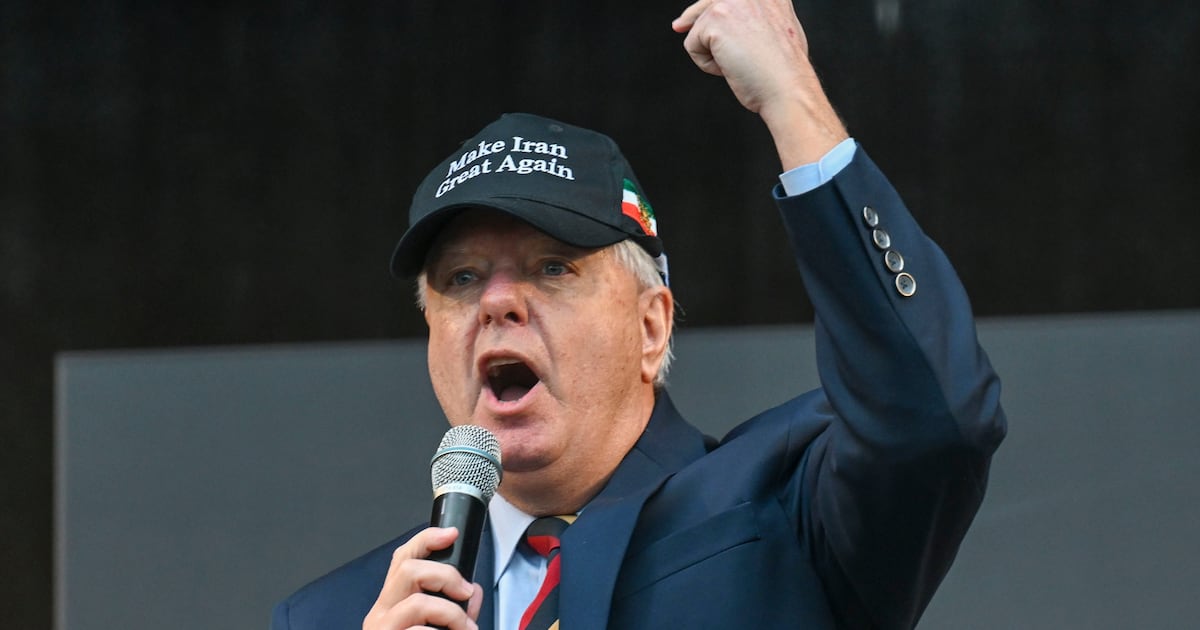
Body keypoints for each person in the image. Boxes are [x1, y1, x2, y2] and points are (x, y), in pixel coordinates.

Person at [272, 0, 1006, 628]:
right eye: (461, 279)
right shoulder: (342, 614)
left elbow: (932, 421)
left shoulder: (785, 505)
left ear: (652, 328)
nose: (496, 301)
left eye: (552, 268)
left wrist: (790, 95)